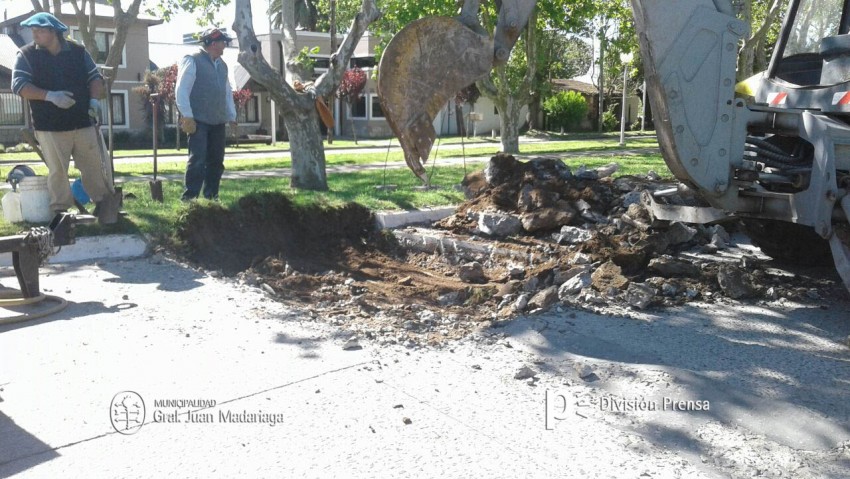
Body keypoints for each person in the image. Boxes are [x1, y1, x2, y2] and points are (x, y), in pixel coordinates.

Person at [11, 12, 114, 217]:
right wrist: (49, 96)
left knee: (94, 167)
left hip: (83, 121)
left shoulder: (78, 52)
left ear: (54, 32)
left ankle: (105, 207)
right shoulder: (26, 55)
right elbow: (19, 86)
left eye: (40, 30)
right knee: (58, 172)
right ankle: (60, 212)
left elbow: (94, 78)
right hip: (49, 125)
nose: (35, 35)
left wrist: (94, 100)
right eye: (33, 31)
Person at [175, 27, 237, 201]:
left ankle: (211, 196)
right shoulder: (192, 60)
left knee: (216, 162)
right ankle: (190, 197)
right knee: (198, 160)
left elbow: (227, 92)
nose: (224, 46)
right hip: (199, 121)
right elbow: (182, 89)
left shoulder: (223, 66)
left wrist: (231, 117)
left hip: (218, 121)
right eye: (222, 43)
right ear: (213, 43)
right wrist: (187, 115)